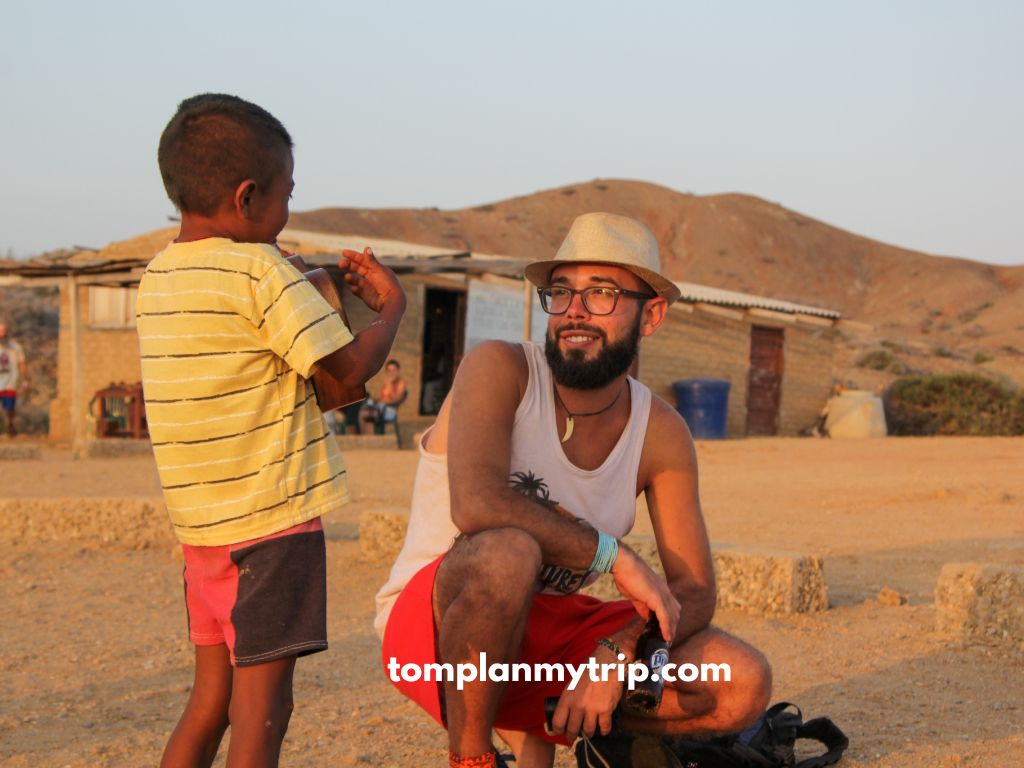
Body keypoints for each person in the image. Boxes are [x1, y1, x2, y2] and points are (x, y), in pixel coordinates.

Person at [375, 213, 771, 768]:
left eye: (602, 293)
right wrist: (615, 557)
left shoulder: (660, 431)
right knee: (509, 551)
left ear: (651, 315)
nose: (574, 310)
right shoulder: (500, 369)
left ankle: (565, 723)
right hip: (435, 634)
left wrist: (619, 652)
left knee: (739, 681)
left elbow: (695, 588)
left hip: (546, 647)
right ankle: (472, 758)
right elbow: (478, 505)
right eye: (561, 291)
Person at [141, 93, 405, 768]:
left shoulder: (158, 278)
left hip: (201, 532)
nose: (289, 210)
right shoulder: (261, 273)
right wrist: (390, 309)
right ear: (247, 197)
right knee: (263, 712)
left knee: (209, 703)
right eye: (288, 194)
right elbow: (348, 371)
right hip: (272, 526)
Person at [0, 320, 29, 437]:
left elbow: (22, 363)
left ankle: (10, 426)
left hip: (10, 381)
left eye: (3, 331)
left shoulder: (15, 347)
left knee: (9, 407)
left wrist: (25, 379)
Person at [363, 358, 407, 434]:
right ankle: (366, 437)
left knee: (368, 413)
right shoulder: (386, 382)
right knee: (363, 412)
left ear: (398, 370)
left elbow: (397, 399)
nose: (392, 373)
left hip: (390, 410)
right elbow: (383, 398)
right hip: (382, 408)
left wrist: (390, 385)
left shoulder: (401, 383)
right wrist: (376, 400)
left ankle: (377, 436)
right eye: (389, 371)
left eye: (394, 370)